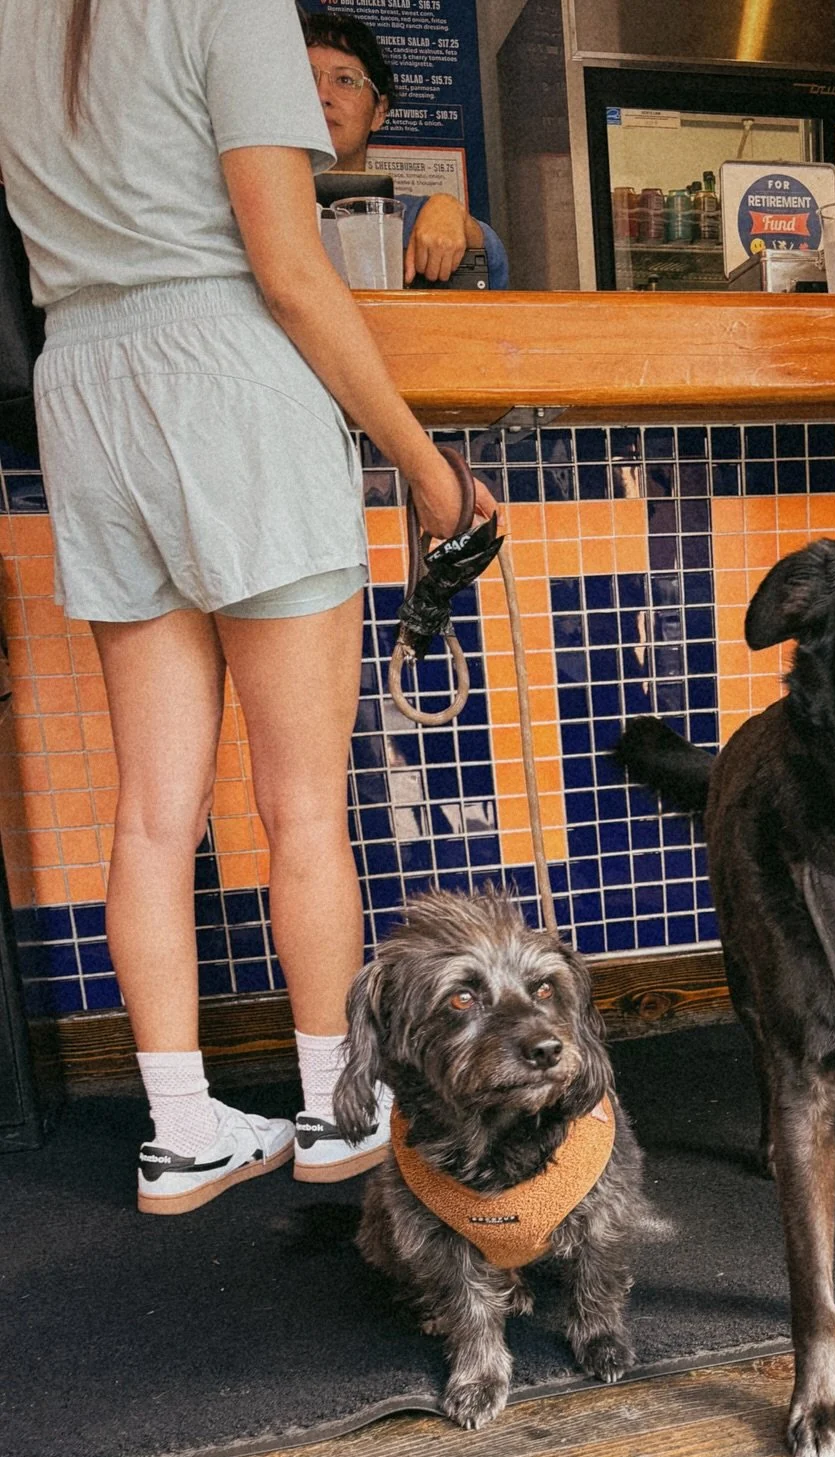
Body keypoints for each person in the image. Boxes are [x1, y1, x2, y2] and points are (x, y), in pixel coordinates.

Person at [0, 0, 495, 1211]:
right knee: (302, 808)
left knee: (151, 816)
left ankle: (181, 1131)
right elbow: (287, 268)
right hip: (225, 372)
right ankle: (336, 1114)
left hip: (86, 388)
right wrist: (430, 472)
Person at [300, 8, 509, 289]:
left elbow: (492, 268)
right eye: (306, 78)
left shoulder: (410, 217)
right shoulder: (250, 208)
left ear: (379, 111)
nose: (322, 95)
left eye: (346, 80)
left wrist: (452, 213)